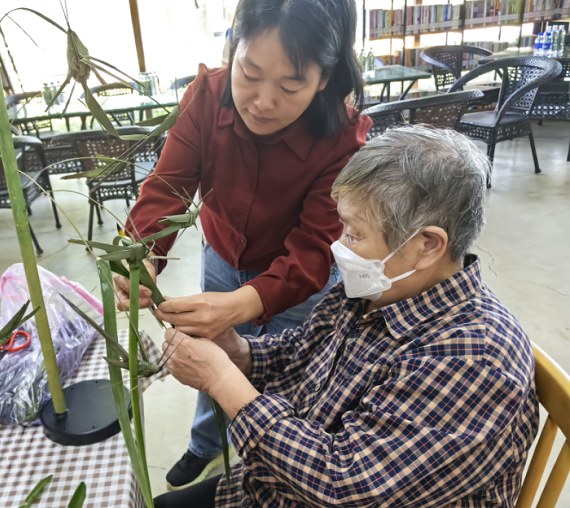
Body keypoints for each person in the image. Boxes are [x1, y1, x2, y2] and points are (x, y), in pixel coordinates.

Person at [155, 125, 539, 508]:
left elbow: (343, 486)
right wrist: (239, 352)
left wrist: (222, 381)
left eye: (354, 235)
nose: (339, 246)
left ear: (426, 245)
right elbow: (302, 349)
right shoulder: (377, 292)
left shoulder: (474, 359)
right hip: (273, 481)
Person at [115, 0, 370, 490]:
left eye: (290, 86)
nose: (262, 101)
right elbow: (168, 187)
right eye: (249, 72)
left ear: (323, 78)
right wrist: (140, 255)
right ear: (233, 48)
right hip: (222, 256)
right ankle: (205, 444)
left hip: (297, 280)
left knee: (292, 373)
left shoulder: (342, 137)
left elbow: (315, 247)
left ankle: (272, 474)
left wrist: (240, 305)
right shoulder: (206, 97)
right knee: (211, 355)